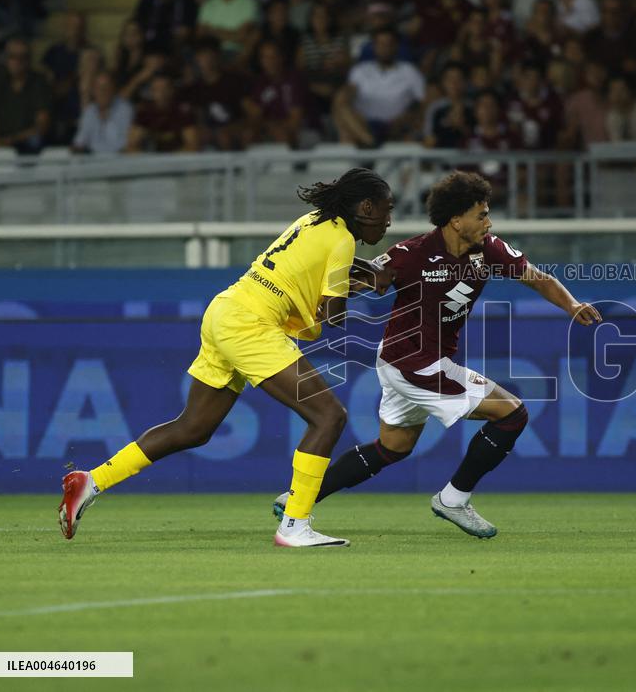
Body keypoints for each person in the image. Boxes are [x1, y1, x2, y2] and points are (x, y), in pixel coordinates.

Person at [59, 168, 395, 548]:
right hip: (251, 323)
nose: (388, 221)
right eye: (387, 210)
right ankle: (295, 524)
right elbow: (333, 315)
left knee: (193, 428)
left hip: (226, 308)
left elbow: (313, 272)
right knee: (329, 417)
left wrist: (364, 274)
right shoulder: (343, 240)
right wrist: (371, 282)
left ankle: (91, 480)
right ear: (366, 207)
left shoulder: (314, 220)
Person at [274, 171, 601, 538]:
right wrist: (317, 299)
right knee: (512, 414)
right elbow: (365, 279)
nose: (488, 222)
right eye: (481, 214)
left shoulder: (489, 250)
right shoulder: (411, 254)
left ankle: (297, 498)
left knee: (393, 447)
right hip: (414, 362)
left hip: (407, 361)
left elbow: (536, 276)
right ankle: (453, 499)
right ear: (456, 219)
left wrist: (571, 305)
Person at [71, 71, 134, 154]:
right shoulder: (89, 111)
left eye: (106, 87)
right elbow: (80, 142)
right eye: (98, 88)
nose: (102, 92)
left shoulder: (125, 109)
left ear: (114, 89)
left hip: (119, 161)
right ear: (93, 91)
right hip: (92, 162)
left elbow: (125, 144)